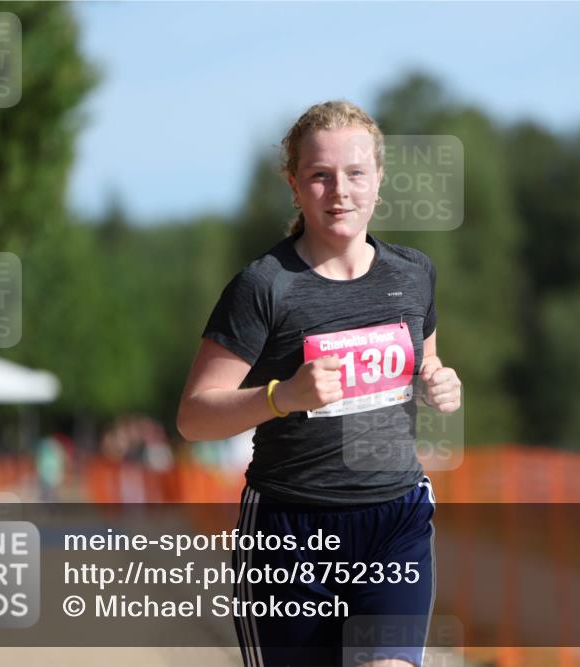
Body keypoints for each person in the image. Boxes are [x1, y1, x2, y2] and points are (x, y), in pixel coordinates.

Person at [177, 99, 462, 667]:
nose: (340, 191)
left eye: (356, 174)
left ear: (379, 179)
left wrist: (439, 383)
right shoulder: (264, 286)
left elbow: (425, 365)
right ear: (294, 185)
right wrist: (283, 396)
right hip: (291, 530)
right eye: (320, 176)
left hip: (395, 519)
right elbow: (194, 416)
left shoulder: (413, 274)